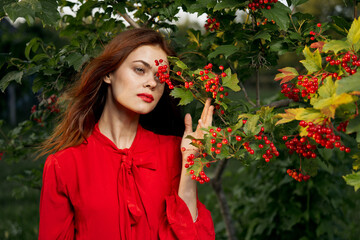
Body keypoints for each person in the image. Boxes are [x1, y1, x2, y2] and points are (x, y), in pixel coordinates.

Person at [38, 28, 215, 240]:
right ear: (108, 73)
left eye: (161, 76)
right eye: (140, 70)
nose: (152, 83)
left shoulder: (175, 152)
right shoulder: (64, 165)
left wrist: (189, 168)